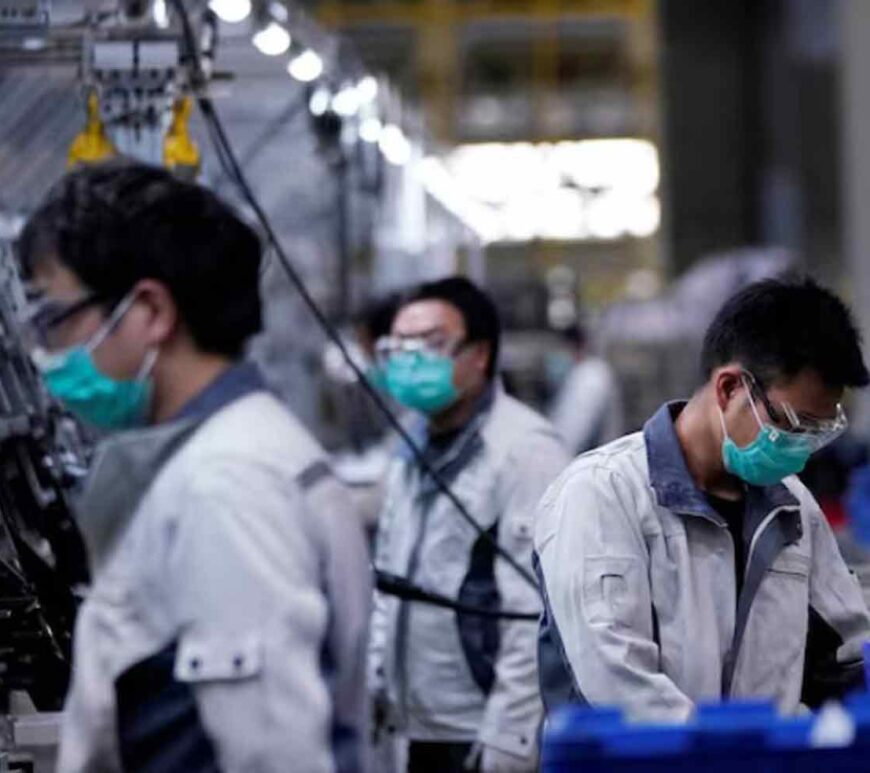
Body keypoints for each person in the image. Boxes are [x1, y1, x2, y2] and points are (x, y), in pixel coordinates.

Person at [18, 161, 371, 772]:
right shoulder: (237, 453)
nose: (46, 353)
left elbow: (271, 754)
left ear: (151, 311)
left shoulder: (225, 485)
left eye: (55, 319)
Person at [535, 277, 870, 721]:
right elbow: (618, 686)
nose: (803, 447)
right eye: (794, 424)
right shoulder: (602, 494)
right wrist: (726, 750)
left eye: (818, 432)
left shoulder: (791, 508)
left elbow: (846, 657)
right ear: (730, 388)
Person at [369, 276, 569, 772]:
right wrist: (378, 681)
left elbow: (535, 612)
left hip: (479, 730)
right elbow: (389, 578)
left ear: (479, 355)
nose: (411, 359)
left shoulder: (525, 450)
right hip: (414, 724)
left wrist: (510, 737)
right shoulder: (409, 446)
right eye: (399, 346)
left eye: (431, 344)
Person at [547, 323, 624, 456]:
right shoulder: (578, 375)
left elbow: (570, 436)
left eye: (561, 350)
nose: (556, 357)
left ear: (579, 346)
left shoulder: (591, 376)